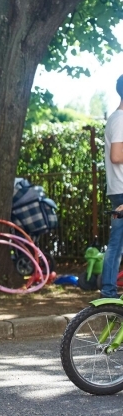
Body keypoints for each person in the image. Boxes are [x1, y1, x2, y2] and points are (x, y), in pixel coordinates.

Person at [100, 75, 123, 299]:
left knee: (117, 243)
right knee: (116, 244)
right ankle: (108, 292)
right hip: (122, 190)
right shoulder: (120, 119)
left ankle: (109, 291)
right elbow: (117, 156)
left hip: (119, 189)